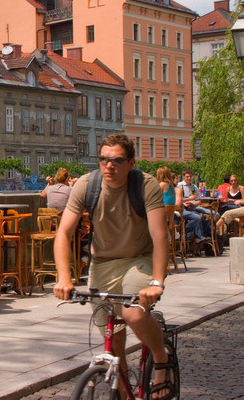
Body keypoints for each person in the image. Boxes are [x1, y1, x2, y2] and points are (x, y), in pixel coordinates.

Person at [53, 134, 173, 400]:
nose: (109, 166)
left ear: (130, 162)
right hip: (102, 264)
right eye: (104, 159)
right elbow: (63, 233)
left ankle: (161, 357)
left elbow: (159, 235)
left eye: (117, 160)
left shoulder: (145, 185)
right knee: (114, 342)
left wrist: (157, 281)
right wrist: (64, 278)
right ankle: (126, 393)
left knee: (133, 314)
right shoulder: (87, 184)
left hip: (138, 259)